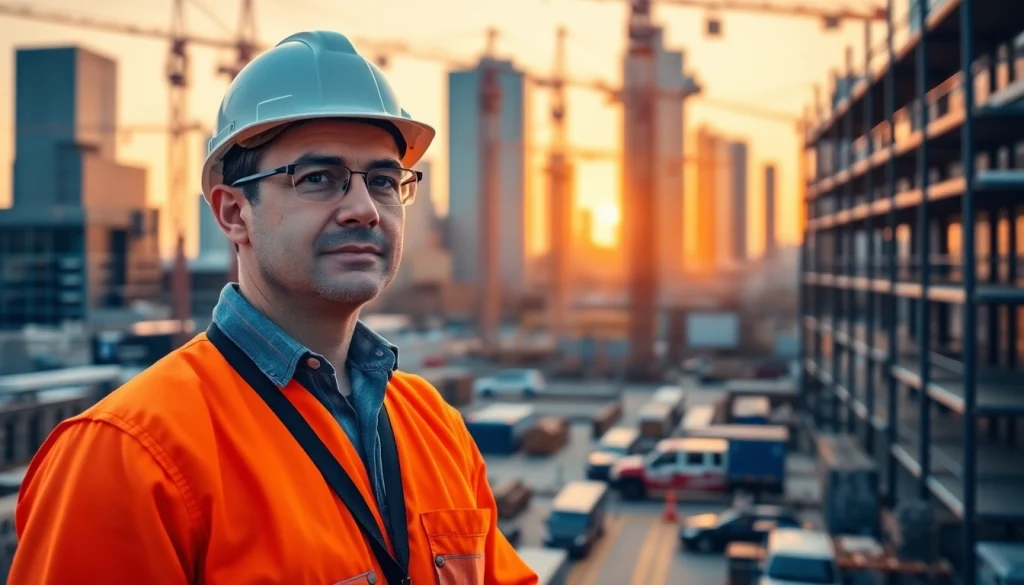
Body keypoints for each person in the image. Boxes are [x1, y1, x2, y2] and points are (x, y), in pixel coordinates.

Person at [10, 30, 539, 585]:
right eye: (318, 179)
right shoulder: (127, 454)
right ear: (234, 214)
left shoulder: (436, 426)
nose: (363, 208)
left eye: (384, 180)